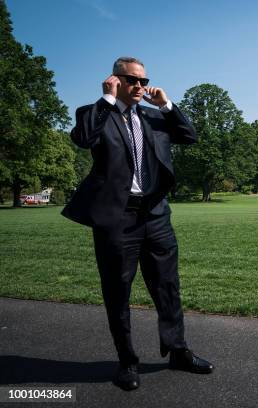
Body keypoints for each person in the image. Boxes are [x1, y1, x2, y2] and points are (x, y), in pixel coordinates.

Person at [62, 56, 213, 391]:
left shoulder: (155, 116)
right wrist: (107, 99)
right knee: (118, 291)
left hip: (156, 215)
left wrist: (168, 104)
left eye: (143, 81)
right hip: (118, 219)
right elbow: (84, 138)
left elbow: (189, 136)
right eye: (131, 80)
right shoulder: (95, 113)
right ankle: (127, 361)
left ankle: (177, 350)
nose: (139, 87)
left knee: (168, 287)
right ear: (115, 80)